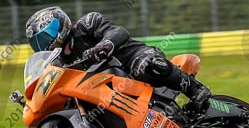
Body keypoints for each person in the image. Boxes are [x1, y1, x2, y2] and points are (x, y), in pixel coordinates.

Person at [25, 7, 212, 113]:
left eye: (47, 34)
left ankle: (196, 89)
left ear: (61, 22)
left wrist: (104, 45)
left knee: (146, 66)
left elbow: (118, 32)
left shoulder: (87, 24)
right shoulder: (58, 65)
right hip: (107, 89)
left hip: (131, 58)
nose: (46, 41)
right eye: (39, 41)